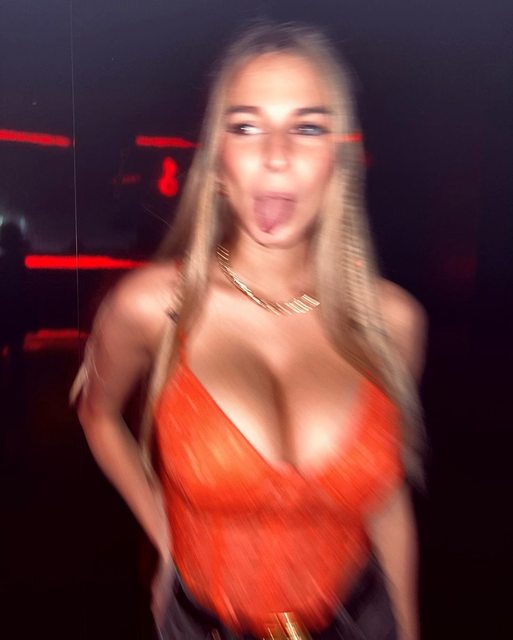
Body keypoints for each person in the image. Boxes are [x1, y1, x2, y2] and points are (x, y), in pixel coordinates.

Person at [72, 22, 427, 640]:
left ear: (338, 161)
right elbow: (96, 413)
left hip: (362, 620)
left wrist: (410, 626)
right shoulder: (153, 308)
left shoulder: (393, 321)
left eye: (307, 128)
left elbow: (386, 496)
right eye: (245, 126)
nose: (276, 155)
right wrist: (166, 537)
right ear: (216, 160)